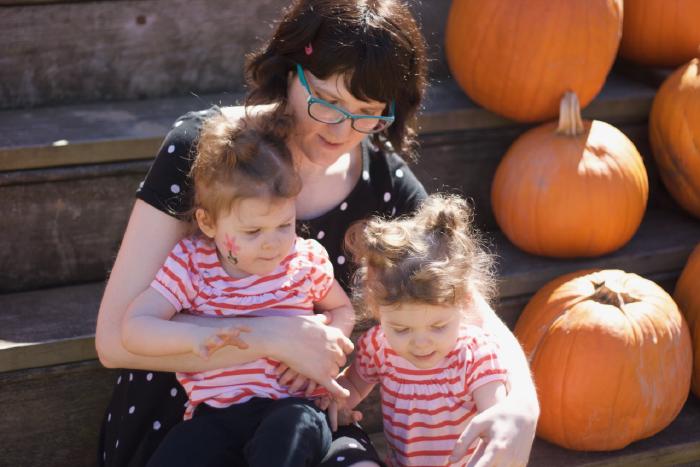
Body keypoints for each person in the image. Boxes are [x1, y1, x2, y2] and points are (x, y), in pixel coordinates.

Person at [95, 1, 539, 466]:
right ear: (291, 69)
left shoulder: (385, 185)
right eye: (327, 101)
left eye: (366, 112)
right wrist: (270, 337)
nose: (342, 130)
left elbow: (472, 311)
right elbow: (112, 339)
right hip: (187, 418)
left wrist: (523, 407)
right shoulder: (208, 154)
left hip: (302, 422)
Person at [120, 112, 355, 467]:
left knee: (288, 435)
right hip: (216, 415)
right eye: (252, 232)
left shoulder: (304, 261)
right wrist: (191, 338)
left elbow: (342, 310)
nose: (272, 243)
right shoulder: (193, 265)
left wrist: (327, 346)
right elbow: (134, 327)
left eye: (284, 224)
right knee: (181, 451)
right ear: (208, 223)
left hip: (291, 405)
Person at [320, 194, 508, 467]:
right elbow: (353, 385)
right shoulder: (379, 346)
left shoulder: (475, 353)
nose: (421, 342)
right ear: (376, 309)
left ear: (464, 302)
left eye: (438, 326)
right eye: (402, 329)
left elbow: (495, 416)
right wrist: (339, 402)